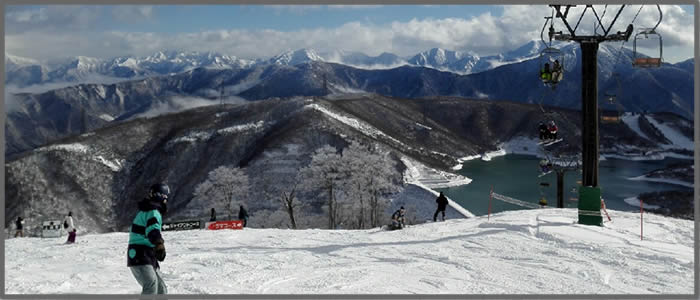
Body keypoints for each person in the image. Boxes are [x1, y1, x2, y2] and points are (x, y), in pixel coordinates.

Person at [127, 183, 169, 295]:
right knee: (151, 285)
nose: (166, 200)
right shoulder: (152, 211)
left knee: (161, 289)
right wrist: (159, 244)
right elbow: (152, 230)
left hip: (147, 254)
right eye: (166, 197)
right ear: (161, 196)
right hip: (139, 254)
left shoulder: (150, 210)